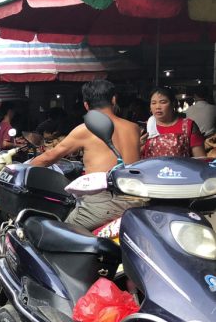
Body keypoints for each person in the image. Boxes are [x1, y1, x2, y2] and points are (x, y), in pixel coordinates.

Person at [30, 80, 143, 231]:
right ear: (114, 99)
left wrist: (20, 169)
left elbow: (48, 158)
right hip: (137, 201)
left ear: (86, 105)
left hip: (104, 203)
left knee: (59, 235)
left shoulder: (85, 130)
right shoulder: (133, 127)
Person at [142, 88, 206, 159]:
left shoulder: (188, 125)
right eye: (153, 103)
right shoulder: (146, 128)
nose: (157, 107)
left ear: (173, 104)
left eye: (163, 102)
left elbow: (201, 160)